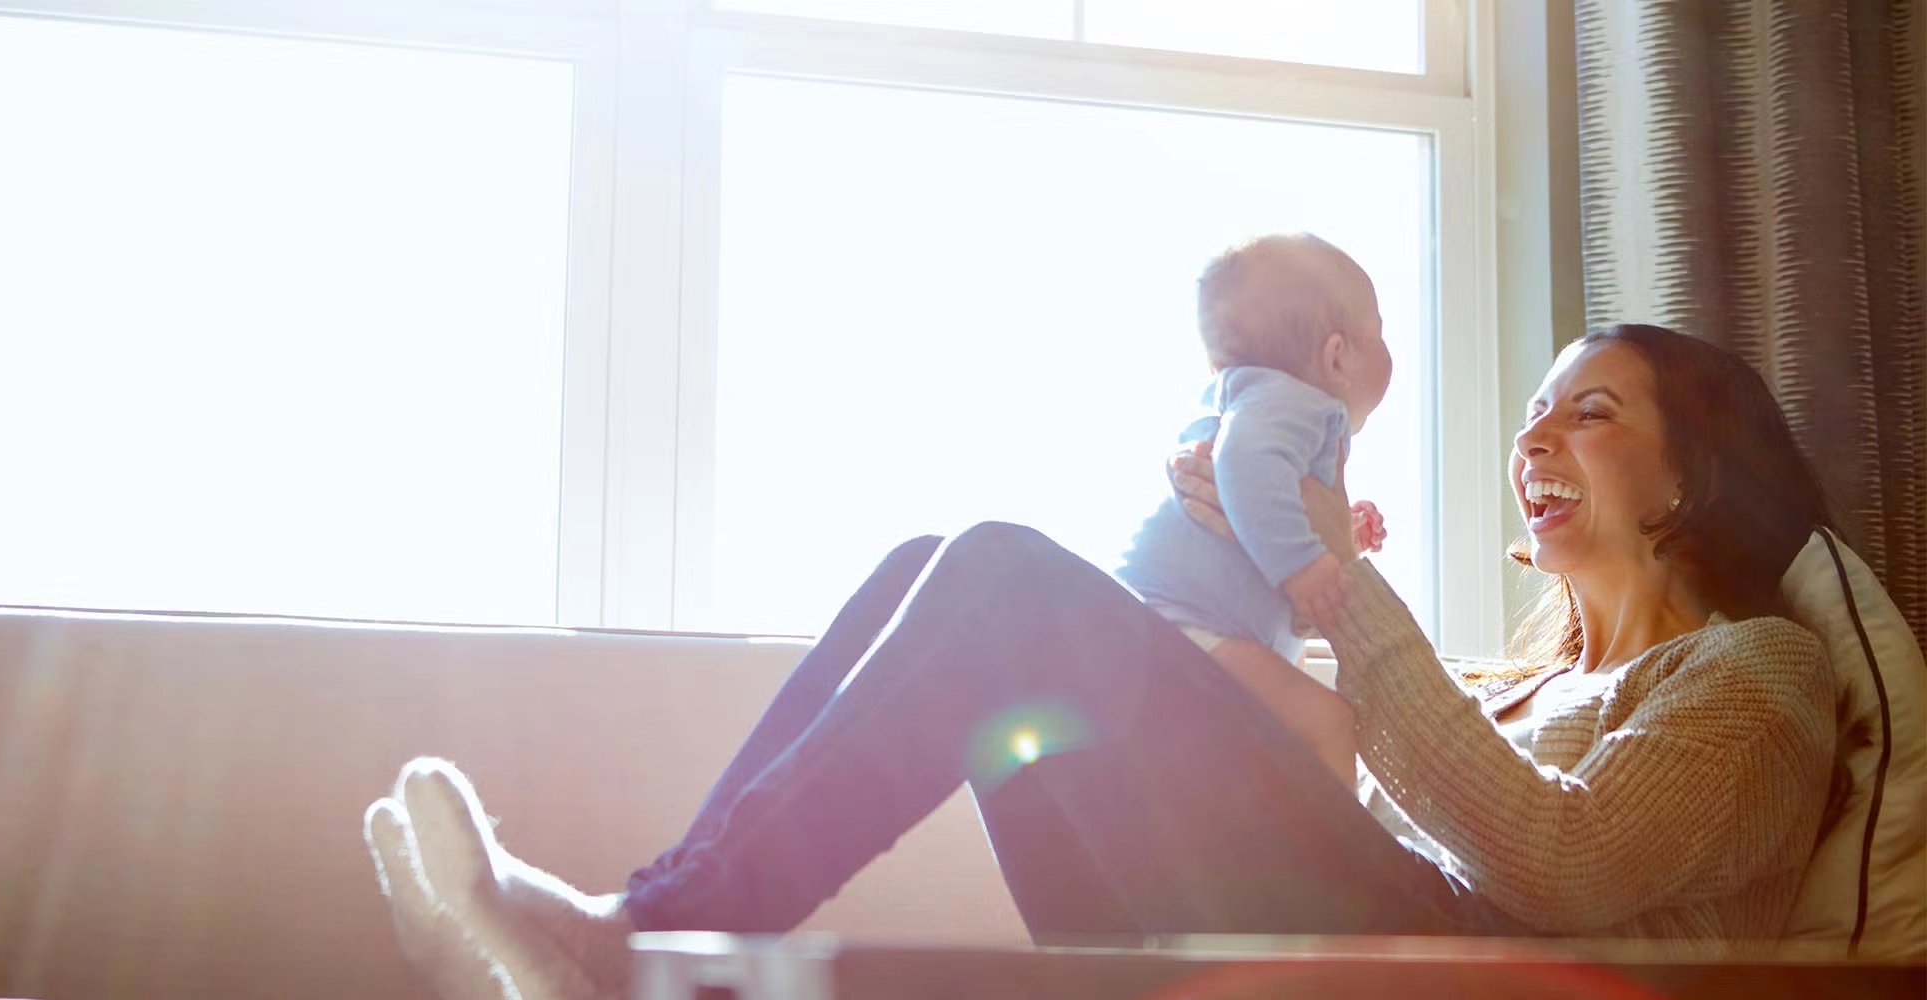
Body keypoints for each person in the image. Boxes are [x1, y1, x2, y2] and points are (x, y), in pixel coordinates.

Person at [363, 323, 1839, 1000]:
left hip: (1461, 976)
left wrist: (1332, 574)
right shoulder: (1507, 682)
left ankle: (631, 954)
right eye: (1531, 411)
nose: (1530, 437)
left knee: (1004, 576)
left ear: (1692, 473)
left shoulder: (1759, 678)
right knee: (943, 574)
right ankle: (650, 934)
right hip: (1317, 943)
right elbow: (1322, 764)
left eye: (1586, 410)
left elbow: (1557, 864)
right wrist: (1222, 588)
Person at [1113, 232, 1393, 787]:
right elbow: (1244, 462)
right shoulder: (1291, 400)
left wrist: (1340, 537)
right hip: (1177, 625)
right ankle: (1340, 871)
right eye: (1379, 333)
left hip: (1182, 628)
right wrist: (1303, 564)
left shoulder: (1257, 399)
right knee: (1330, 724)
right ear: (1338, 356)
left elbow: (1269, 497)